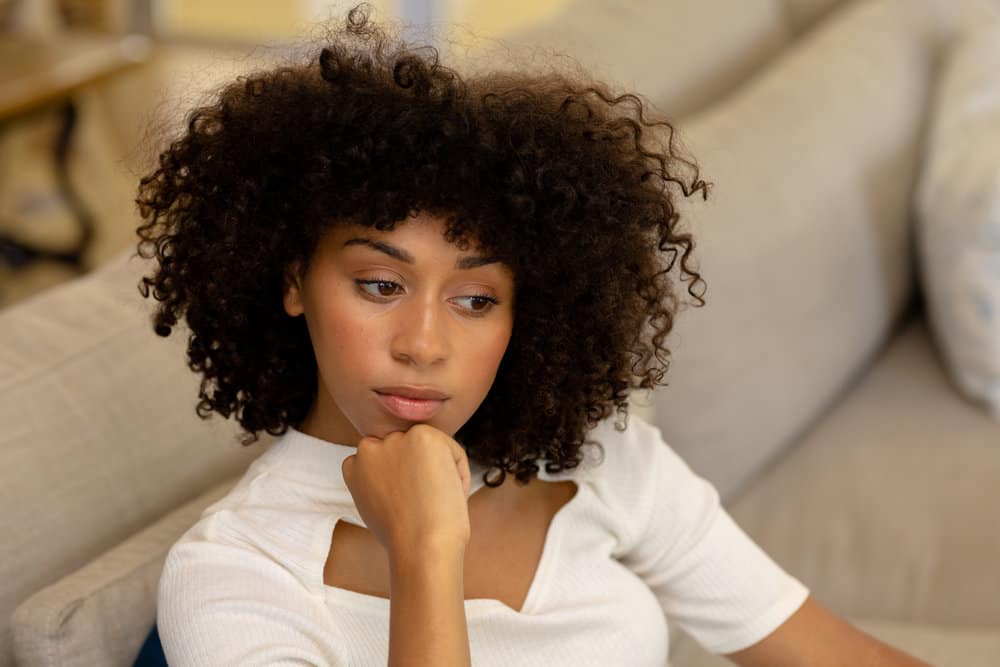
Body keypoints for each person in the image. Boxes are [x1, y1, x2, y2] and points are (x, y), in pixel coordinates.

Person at [137, 3, 930, 666]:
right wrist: (423, 551)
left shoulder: (604, 462)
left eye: (476, 299)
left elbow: (837, 654)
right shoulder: (235, 572)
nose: (424, 343)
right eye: (381, 285)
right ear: (290, 282)